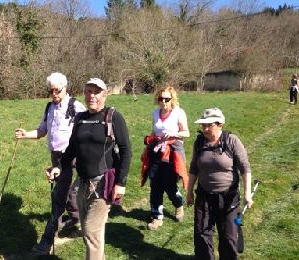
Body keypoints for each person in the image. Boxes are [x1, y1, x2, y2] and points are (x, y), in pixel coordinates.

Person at [47, 78, 132, 260]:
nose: (92, 96)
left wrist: (121, 183)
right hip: (82, 183)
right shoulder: (80, 118)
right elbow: (71, 149)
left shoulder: (112, 117)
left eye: (96, 92)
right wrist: (58, 167)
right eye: (88, 91)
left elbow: (126, 151)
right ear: (84, 93)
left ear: (104, 94)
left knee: (91, 232)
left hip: (102, 184)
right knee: (88, 230)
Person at [15, 72, 86, 255]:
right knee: (61, 195)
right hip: (57, 158)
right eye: (51, 90)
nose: (54, 94)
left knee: (76, 192)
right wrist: (25, 134)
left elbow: (88, 128)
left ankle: (77, 223)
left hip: (77, 154)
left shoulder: (76, 106)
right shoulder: (49, 108)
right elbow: (41, 131)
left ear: (65, 88)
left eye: (57, 90)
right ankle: (51, 239)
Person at [186, 108, 253, 260]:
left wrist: (247, 193)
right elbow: (194, 167)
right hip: (204, 195)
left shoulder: (231, 141)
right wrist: (189, 191)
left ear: (220, 124)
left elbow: (245, 167)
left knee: (228, 237)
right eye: (203, 125)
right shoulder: (200, 142)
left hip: (228, 197)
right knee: (202, 234)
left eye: (209, 125)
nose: (205, 129)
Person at [140, 85, 190, 230]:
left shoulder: (178, 113)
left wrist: (174, 135)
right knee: (155, 184)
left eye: (166, 99)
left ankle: (178, 204)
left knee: (169, 185)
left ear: (172, 99)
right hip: (156, 151)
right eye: (160, 98)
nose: (163, 101)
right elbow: (153, 130)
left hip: (172, 152)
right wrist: (147, 148)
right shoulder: (156, 113)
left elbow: (186, 133)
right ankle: (157, 217)